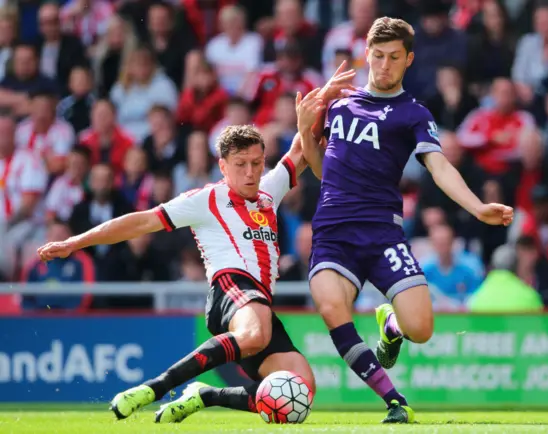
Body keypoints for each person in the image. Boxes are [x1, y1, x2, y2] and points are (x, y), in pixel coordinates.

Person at [36, 68, 356, 424]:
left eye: (256, 163)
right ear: (223, 166)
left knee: (300, 388)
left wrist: (325, 95)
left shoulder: (270, 191)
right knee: (255, 333)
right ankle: (153, 388)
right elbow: (139, 221)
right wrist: (75, 241)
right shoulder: (207, 198)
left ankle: (205, 396)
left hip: (258, 301)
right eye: (241, 165)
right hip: (230, 289)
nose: (250, 172)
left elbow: (302, 143)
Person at [299, 17, 513, 423]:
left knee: (421, 329)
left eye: (394, 57)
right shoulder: (339, 105)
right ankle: (395, 400)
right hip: (333, 232)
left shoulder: (412, 113)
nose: (383, 65)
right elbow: (323, 170)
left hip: (382, 233)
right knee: (332, 307)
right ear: (366, 54)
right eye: (377, 56)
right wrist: (304, 132)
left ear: (409, 60)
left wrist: (477, 207)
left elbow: (439, 166)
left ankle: (391, 326)